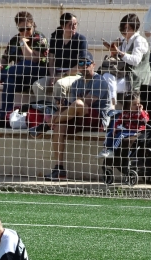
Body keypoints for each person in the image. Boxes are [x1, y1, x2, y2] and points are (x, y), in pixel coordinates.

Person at [29, 51, 114, 181]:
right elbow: (73, 107)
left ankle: (46, 125)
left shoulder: (100, 81)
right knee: (60, 126)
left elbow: (85, 103)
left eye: (87, 63)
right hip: (80, 116)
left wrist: (73, 104)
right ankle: (59, 169)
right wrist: (63, 106)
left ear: (93, 65)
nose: (83, 65)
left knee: (78, 104)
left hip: (98, 120)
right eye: (81, 63)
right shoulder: (76, 83)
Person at [0, 11, 49, 123]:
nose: (25, 32)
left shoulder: (39, 38)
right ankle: (6, 115)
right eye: (21, 30)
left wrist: (23, 44)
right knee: (9, 79)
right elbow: (5, 58)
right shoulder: (15, 40)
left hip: (37, 75)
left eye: (27, 29)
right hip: (20, 77)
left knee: (25, 64)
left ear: (33, 24)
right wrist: (1, 66)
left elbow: (33, 60)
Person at [30, 12, 87, 106]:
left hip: (74, 75)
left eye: (75, 24)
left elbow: (82, 65)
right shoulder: (55, 38)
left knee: (60, 85)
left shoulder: (81, 39)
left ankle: (59, 114)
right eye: (70, 25)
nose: (74, 27)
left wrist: (63, 75)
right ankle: (43, 112)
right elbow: (51, 61)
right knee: (37, 85)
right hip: (56, 74)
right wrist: (52, 76)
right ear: (63, 26)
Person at [101, 13, 151, 107]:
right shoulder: (124, 39)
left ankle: (110, 107)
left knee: (106, 82)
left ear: (134, 27)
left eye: (127, 28)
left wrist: (119, 52)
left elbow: (136, 60)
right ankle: (111, 105)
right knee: (106, 77)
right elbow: (118, 47)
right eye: (122, 28)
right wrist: (113, 49)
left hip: (135, 78)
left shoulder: (139, 40)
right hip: (124, 75)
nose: (124, 31)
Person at [98, 90, 148, 159]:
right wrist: (115, 128)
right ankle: (106, 149)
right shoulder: (125, 113)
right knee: (109, 134)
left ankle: (112, 151)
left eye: (138, 103)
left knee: (120, 135)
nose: (137, 106)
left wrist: (141, 111)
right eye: (134, 104)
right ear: (128, 106)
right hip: (126, 129)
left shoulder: (141, 112)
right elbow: (118, 121)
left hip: (136, 131)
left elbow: (145, 120)